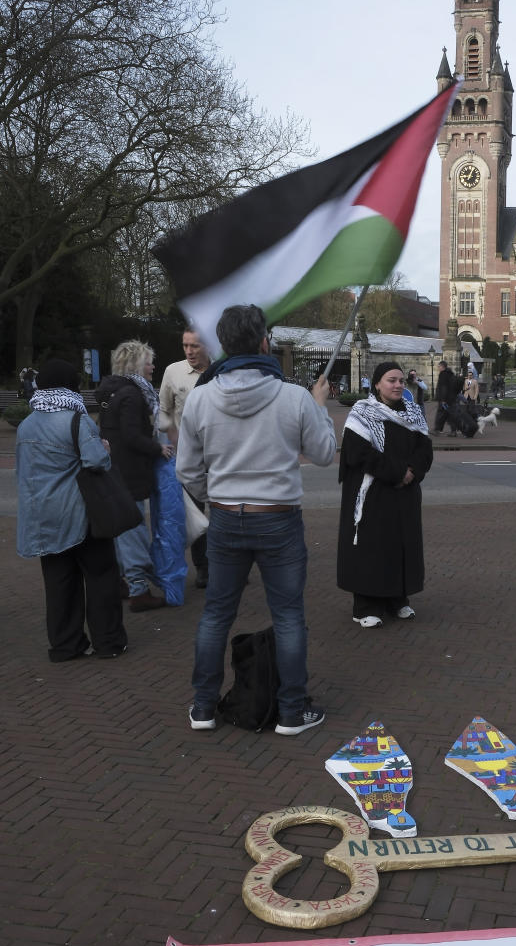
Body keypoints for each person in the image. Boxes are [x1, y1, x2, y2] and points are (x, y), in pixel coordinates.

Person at [176, 304, 336, 734]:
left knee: (215, 614)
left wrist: (219, 497)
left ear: (222, 345)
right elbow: (323, 453)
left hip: (227, 518)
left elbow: (186, 470)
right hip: (278, 518)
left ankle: (204, 707)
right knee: (287, 616)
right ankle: (291, 711)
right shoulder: (293, 396)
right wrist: (320, 407)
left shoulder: (201, 397)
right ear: (264, 341)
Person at [16, 359, 127, 661]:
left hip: (43, 518)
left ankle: (66, 645)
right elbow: (96, 462)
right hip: (81, 514)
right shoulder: (77, 419)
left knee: (58, 582)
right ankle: (109, 642)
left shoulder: (26, 425)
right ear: (71, 386)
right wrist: (104, 448)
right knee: (101, 576)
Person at [337, 361, 433, 627]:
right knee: (372, 547)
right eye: (392, 380)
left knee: (401, 545)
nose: (398, 385)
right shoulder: (361, 412)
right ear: (377, 383)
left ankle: (397, 600)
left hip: (404, 494)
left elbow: (424, 449)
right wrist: (397, 472)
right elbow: (358, 453)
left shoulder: (413, 412)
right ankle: (366, 605)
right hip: (374, 494)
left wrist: (412, 470)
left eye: (401, 381)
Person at [95, 340, 174, 611]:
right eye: (149, 361)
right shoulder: (132, 394)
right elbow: (131, 435)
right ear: (136, 364)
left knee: (121, 530)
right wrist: (157, 448)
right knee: (134, 529)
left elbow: (109, 431)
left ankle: (120, 583)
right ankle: (139, 590)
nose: (153, 366)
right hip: (131, 472)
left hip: (114, 470)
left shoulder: (111, 392)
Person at [158, 328, 212, 587]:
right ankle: (203, 567)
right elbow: (164, 410)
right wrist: (172, 435)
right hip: (189, 458)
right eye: (185, 345)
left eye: (195, 346)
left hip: (222, 456)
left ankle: (229, 563)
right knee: (197, 515)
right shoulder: (173, 372)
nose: (189, 351)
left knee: (226, 511)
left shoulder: (222, 370)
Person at [433, 361, 460, 434]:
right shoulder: (451, 374)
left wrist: (443, 399)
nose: (438, 368)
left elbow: (444, 387)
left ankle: (436, 430)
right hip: (451, 399)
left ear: (442, 366)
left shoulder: (443, 374)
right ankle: (453, 431)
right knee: (449, 415)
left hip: (444, 399)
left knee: (440, 414)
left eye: (439, 366)